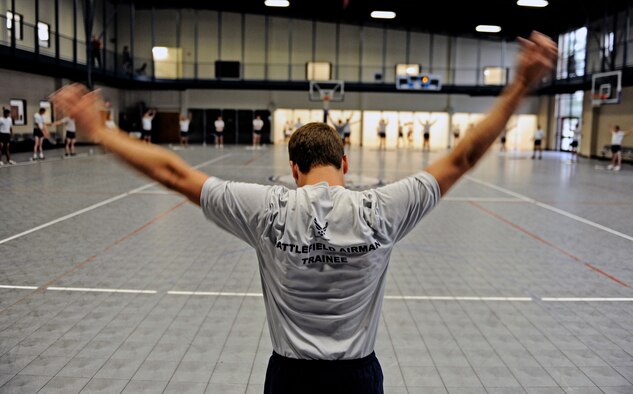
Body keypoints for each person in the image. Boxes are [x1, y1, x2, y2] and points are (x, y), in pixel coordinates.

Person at [52, 31, 557, 394]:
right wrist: (519, 86)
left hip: (289, 376)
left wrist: (101, 133)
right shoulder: (381, 211)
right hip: (359, 377)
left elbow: (174, 173)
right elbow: (465, 154)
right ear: (345, 162)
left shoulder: (268, 211)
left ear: (293, 169)